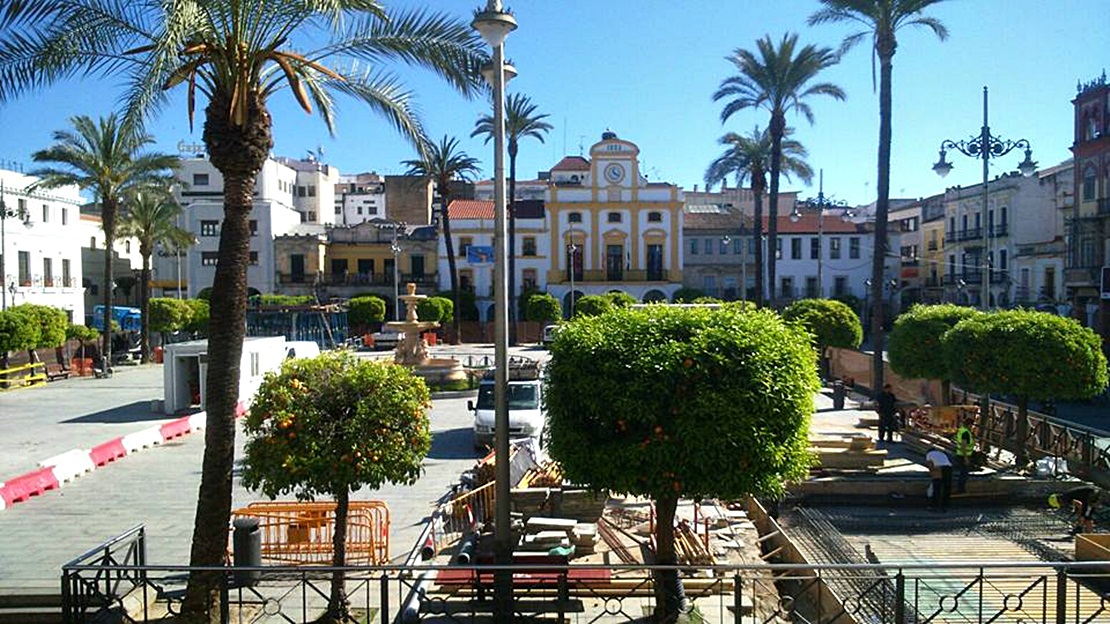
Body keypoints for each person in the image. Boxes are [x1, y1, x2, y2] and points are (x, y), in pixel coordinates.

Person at [953, 415, 976, 493]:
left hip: (960, 454)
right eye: (972, 425)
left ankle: (961, 488)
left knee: (962, 472)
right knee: (964, 473)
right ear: (970, 425)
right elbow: (963, 445)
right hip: (963, 455)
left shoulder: (962, 430)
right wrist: (966, 458)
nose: (973, 427)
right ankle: (961, 489)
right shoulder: (966, 433)